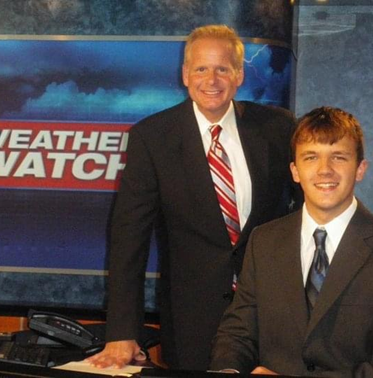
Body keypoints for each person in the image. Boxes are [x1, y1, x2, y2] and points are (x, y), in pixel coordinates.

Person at [87, 24, 300, 371]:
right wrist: (122, 332)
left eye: (222, 69)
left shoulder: (278, 128)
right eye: (201, 68)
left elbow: (308, 213)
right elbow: (129, 239)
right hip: (191, 325)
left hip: (273, 319)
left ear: (239, 75)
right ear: (185, 74)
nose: (211, 80)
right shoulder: (152, 138)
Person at [210, 106, 373, 377]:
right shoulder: (263, 242)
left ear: (360, 169)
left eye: (338, 157)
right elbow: (238, 331)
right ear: (295, 171)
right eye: (311, 157)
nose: (325, 170)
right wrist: (228, 369)